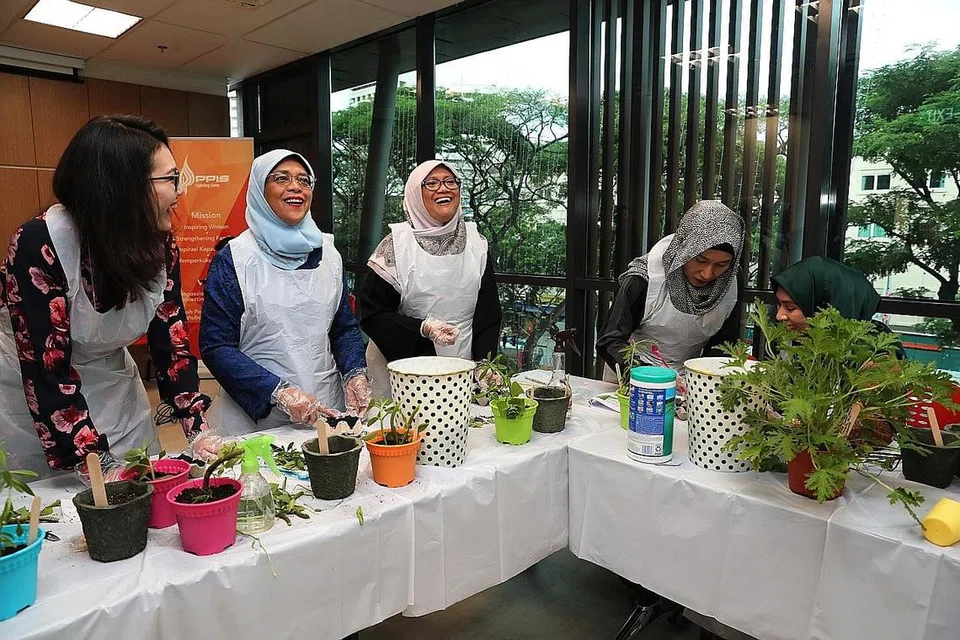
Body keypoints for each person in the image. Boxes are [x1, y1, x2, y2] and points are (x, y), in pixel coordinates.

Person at [0, 115, 212, 479]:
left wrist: (198, 428)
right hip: (35, 397)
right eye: (170, 179)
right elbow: (47, 368)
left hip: (113, 384)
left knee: (142, 487)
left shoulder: (160, 244)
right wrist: (97, 463)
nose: (180, 192)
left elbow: (171, 341)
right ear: (122, 186)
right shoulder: (41, 243)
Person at [200, 149, 369, 435]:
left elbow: (342, 328)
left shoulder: (329, 254)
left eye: (304, 180)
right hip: (254, 418)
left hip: (324, 407)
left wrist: (355, 371)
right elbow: (216, 347)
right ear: (259, 190)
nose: (295, 187)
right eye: (281, 178)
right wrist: (278, 391)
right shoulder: (235, 259)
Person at [358, 160, 501, 397]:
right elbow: (373, 315)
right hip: (403, 364)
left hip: (462, 359)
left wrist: (484, 364)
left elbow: (489, 313)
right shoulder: (396, 246)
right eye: (431, 183)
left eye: (450, 182)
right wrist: (422, 328)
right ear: (415, 193)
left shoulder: (477, 243)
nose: (443, 189)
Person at [597, 200, 745, 378]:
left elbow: (723, 346)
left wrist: (706, 382)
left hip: (689, 379)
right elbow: (610, 340)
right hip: (632, 374)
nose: (707, 273)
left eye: (721, 264)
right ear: (684, 249)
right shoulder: (645, 278)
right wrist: (650, 378)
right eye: (701, 260)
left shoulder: (730, 280)